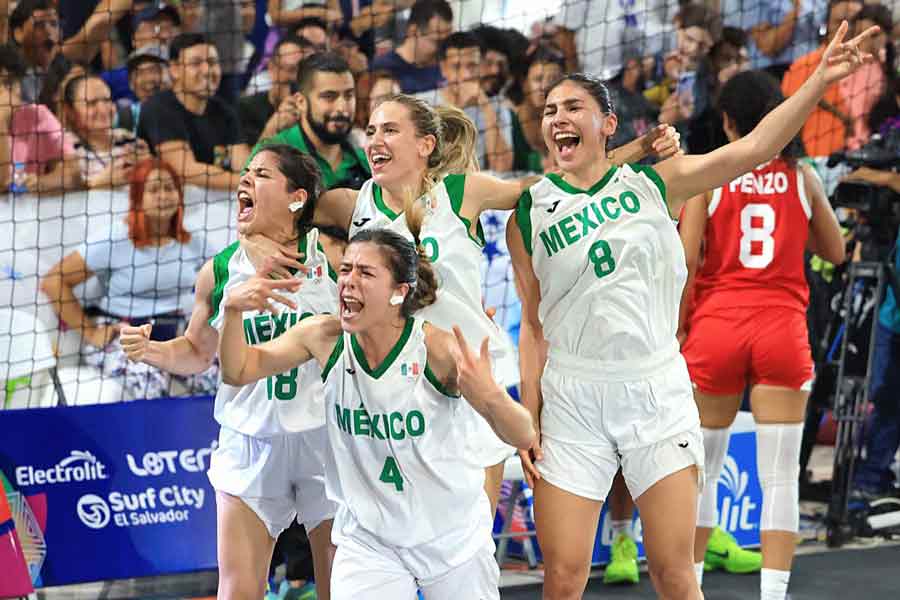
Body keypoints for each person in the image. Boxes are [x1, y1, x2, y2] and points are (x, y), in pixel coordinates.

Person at [506, 21, 877, 600]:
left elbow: (756, 147)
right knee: (564, 575)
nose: (557, 117)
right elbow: (531, 322)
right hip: (573, 396)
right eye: (550, 109)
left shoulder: (660, 181)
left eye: (573, 106)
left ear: (606, 125)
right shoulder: (528, 212)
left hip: (655, 387)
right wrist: (529, 410)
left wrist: (819, 80)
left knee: (675, 573)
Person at [245, 93, 681, 515]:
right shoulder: (350, 203)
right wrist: (255, 241)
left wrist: (639, 149)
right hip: (391, 395)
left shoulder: (461, 193)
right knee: (386, 544)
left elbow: (552, 188)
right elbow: (274, 209)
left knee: (466, 550)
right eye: (372, 130)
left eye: (390, 130)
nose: (375, 140)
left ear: (425, 145)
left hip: (467, 388)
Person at [219, 226, 534, 599]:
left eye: (365, 273)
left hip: (450, 535)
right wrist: (232, 311)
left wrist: (492, 397)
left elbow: (524, 435)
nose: (349, 282)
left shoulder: (437, 349)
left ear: (399, 292)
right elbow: (237, 370)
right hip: (369, 542)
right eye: (346, 270)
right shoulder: (322, 337)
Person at [120, 145, 340, 600]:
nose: (244, 180)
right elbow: (198, 354)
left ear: (297, 198)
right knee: (238, 590)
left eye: (261, 174)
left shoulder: (333, 256)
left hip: (326, 436)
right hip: (250, 438)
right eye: (244, 172)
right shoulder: (219, 270)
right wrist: (151, 351)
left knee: (342, 589)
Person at [679, 70, 846, 600]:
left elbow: (685, 262)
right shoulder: (802, 176)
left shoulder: (709, 176)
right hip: (781, 328)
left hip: (717, 328)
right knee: (780, 477)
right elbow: (835, 251)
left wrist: (680, 330)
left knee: (700, 474)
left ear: (727, 122)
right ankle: (774, 594)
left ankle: (693, 587)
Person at [39, 158, 215, 400]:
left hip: (177, 334)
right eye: (154, 190)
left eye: (169, 188)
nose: (163, 195)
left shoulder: (193, 242)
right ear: (137, 198)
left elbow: (225, 284)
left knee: (217, 375)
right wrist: (91, 332)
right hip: (125, 335)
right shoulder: (116, 238)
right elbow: (53, 282)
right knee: (148, 382)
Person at [840, 166, 900, 499]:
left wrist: (870, 172)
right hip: (892, 313)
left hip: (891, 313)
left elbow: (894, 181)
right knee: (885, 398)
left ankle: (872, 476)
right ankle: (869, 479)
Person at [137, 32, 248, 191]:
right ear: (174, 70)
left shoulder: (224, 111)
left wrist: (248, 180)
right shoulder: (158, 108)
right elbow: (185, 171)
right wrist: (247, 183)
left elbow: (243, 165)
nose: (207, 70)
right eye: (196, 63)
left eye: (212, 62)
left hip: (220, 200)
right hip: (170, 204)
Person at [260, 52, 369, 190]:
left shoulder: (366, 161)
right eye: (329, 96)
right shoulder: (272, 156)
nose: (342, 107)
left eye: (349, 95)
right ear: (300, 102)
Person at [417, 31, 513, 173]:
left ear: (481, 66)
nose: (466, 74)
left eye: (472, 66)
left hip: (479, 187)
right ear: (443, 68)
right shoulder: (421, 104)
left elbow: (502, 168)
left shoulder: (496, 106)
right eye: (456, 67)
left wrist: (485, 106)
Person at [781, 0, 864, 158]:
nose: (848, 29)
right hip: (816, 160)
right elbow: (785, 121)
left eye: (854, 22)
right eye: (840, 22)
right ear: (827, 25)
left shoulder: (876, 68)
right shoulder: (803, 66)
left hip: (864, 159)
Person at [60, 73, 149, 188]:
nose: (103, 109)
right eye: (91, 103)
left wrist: (149, 165)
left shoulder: (128, 139)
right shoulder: (62, 146)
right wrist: (97, 183)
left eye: (107, 100)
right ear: (69, 110)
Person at [370, 0, 452, 94]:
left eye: (447, 40)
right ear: (413, 31)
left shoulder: (449, 63)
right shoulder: (383, 68)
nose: (444, 48)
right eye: (437, 42)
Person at [238, 36, 307, 146]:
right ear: (271, 67)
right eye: (290, 69)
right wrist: (273, 127)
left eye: (302, 71)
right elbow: (247, 162)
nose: (295, 78)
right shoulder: (246, 108)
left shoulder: (314, 108)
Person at [115, 45, 170, 136]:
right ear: (131, 84)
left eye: (154, 70)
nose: (147, 79)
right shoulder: (123, 118)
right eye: (139, 73)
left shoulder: (187, 109)